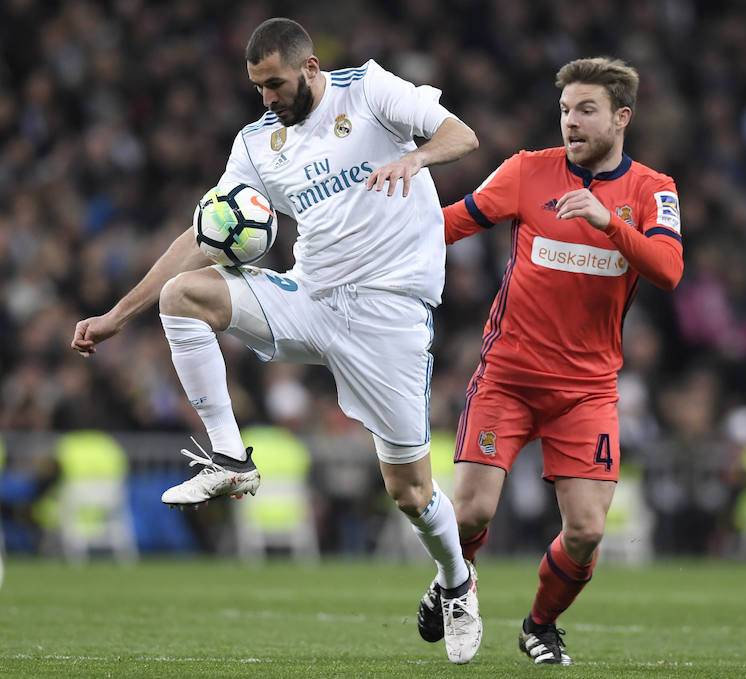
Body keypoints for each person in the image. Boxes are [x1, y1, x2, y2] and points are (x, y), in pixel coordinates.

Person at [71, 17, 482, 664]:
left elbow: (462, 134)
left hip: (390, 315)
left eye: (275, 83)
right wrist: (119, 315)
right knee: (187, 294)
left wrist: (416, 156)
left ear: (310, 67)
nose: (267, 98)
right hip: (312, 298)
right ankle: (231, 457)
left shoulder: (370, 90)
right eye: (258, 87)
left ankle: (456, 579)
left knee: (407, 490)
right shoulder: (258, 141)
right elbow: (201, 233)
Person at [416, 56, 684, 664]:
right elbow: (451, 224)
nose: (570, 121)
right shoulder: (526, 172)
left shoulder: (652, 190)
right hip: (507, 377)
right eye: (565, 110)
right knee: (470, 513)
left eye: (586, 110)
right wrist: (373, 229)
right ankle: (453, 581)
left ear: (622, 117)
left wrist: (609, 224)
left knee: (588, 530)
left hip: (586, 391)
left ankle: (539, 625)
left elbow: (669, 271)